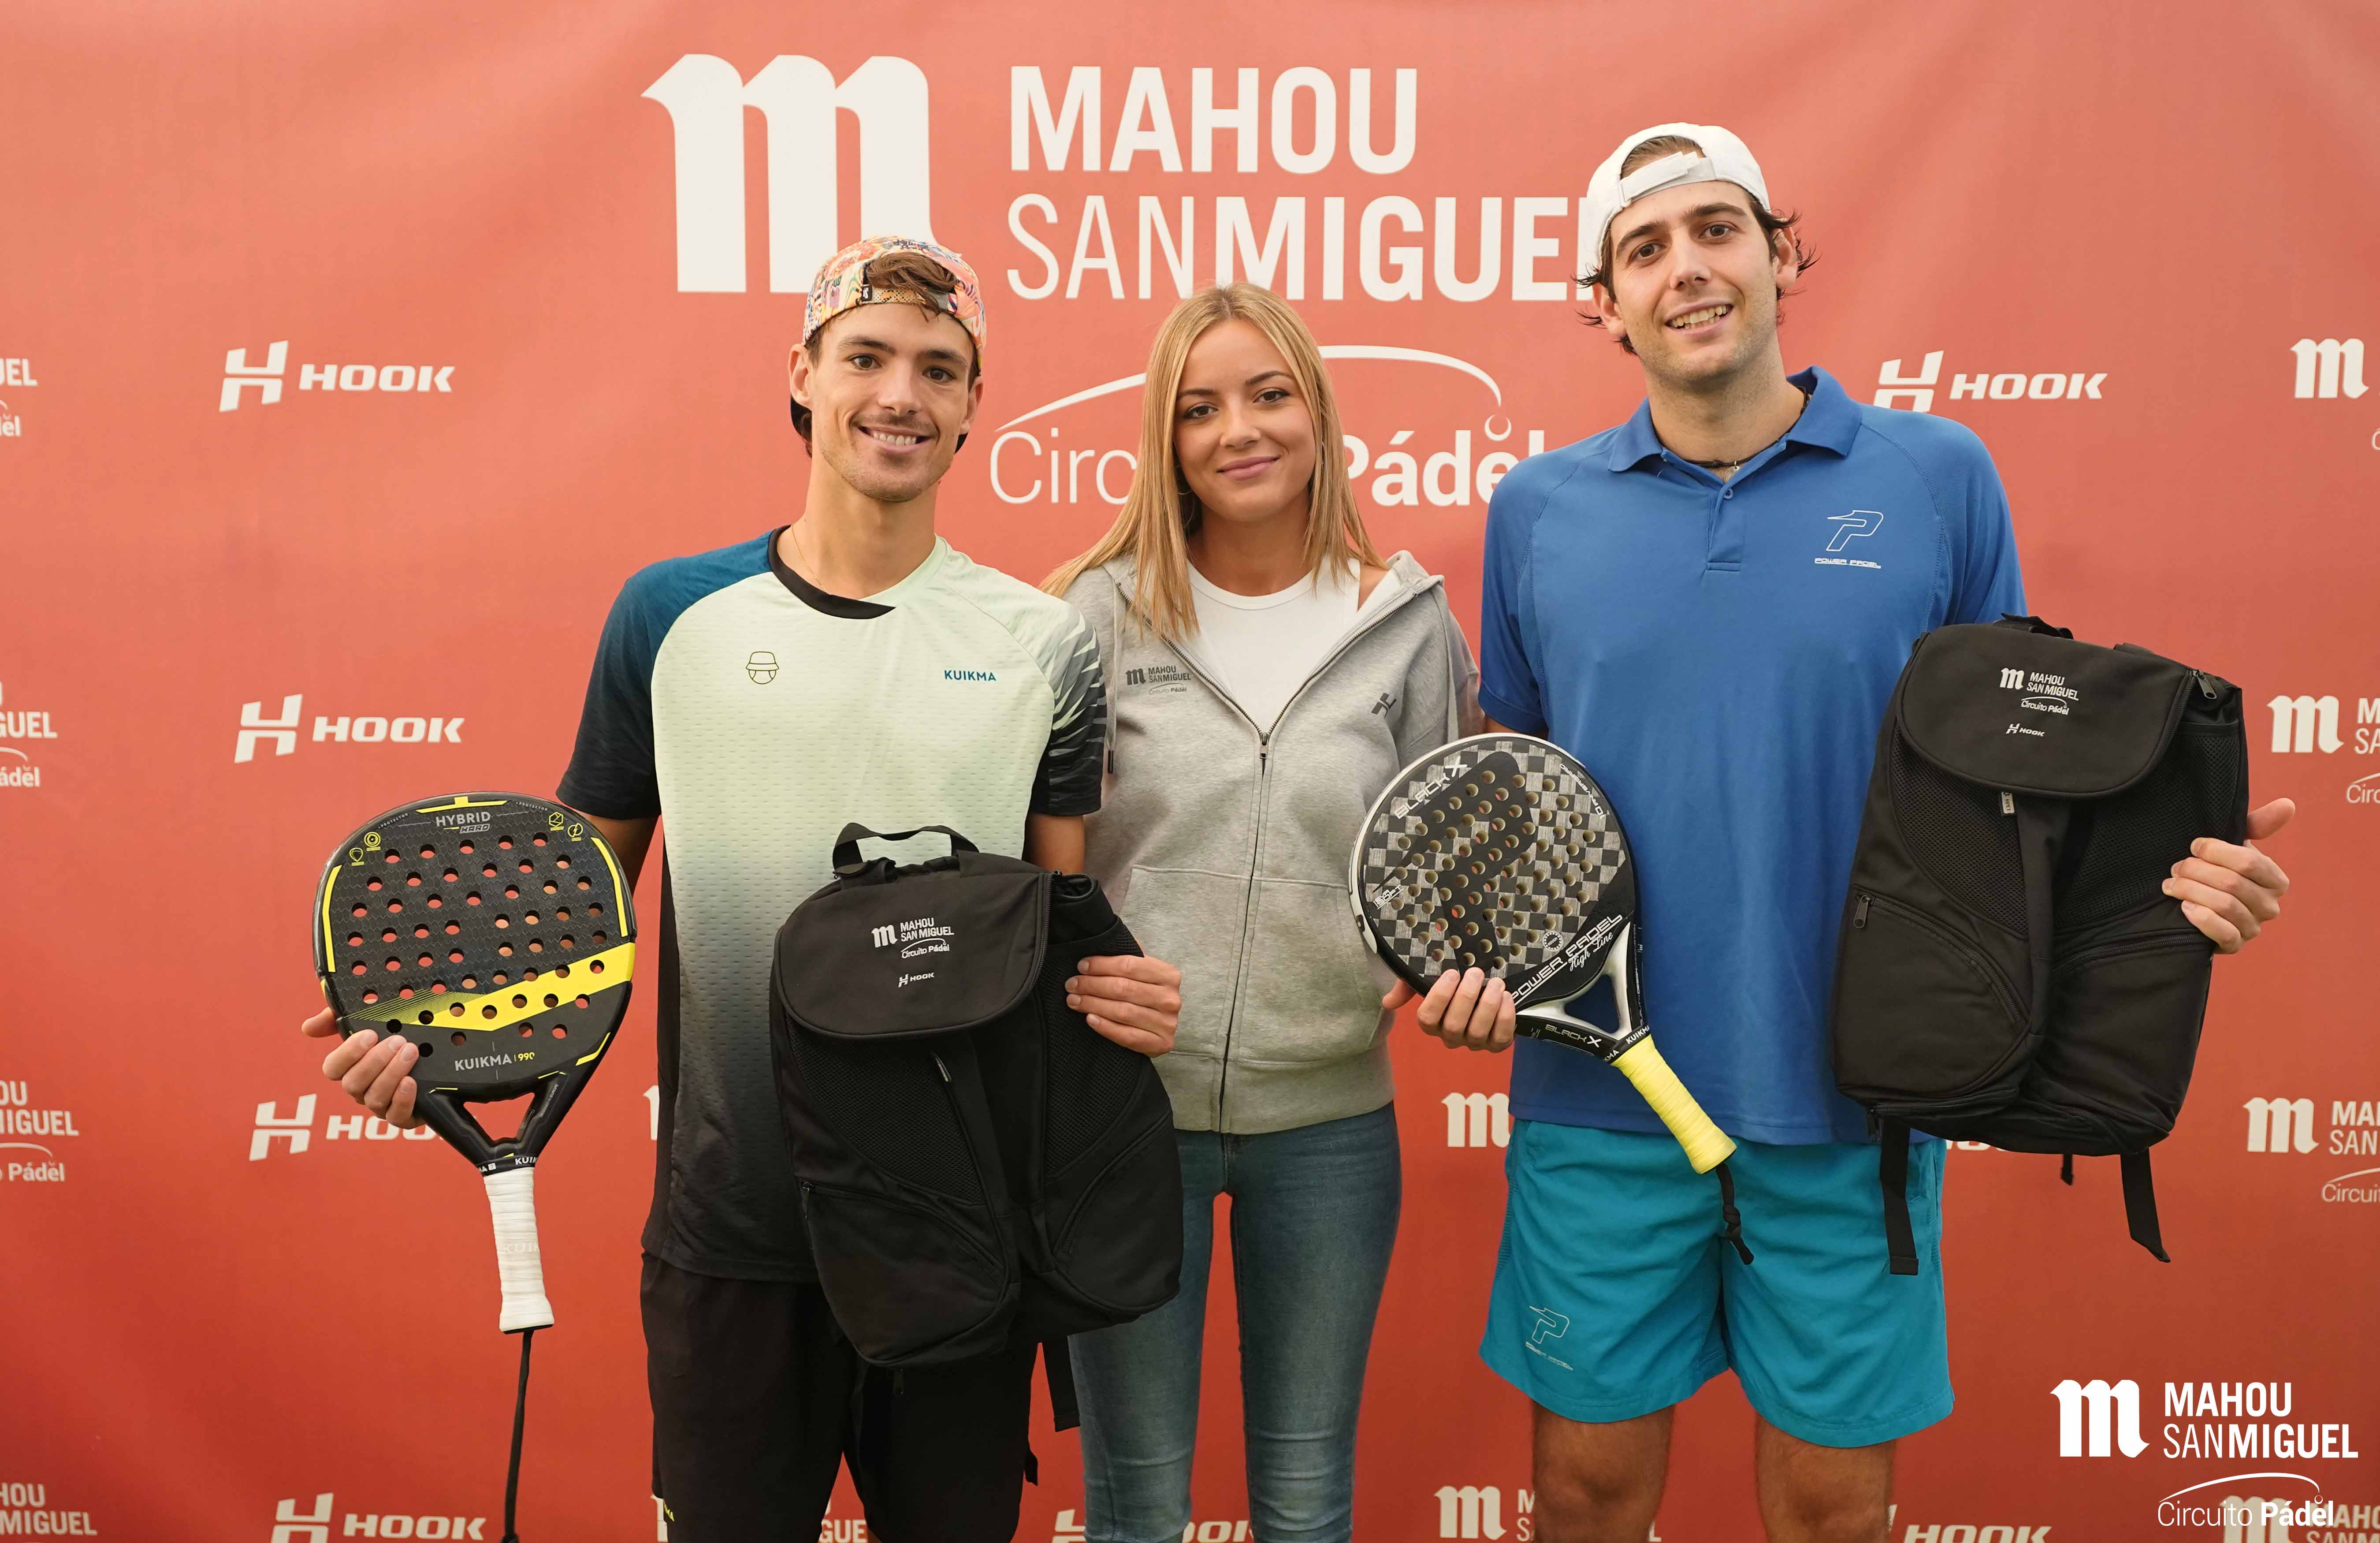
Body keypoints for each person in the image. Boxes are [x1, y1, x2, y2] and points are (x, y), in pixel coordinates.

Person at [1409, 125, 2296, 1543]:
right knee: (1583, 1492)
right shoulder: (1536, 511)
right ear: (1605, 301)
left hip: (1856, 1086)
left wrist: (2170, 879)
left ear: (1781, 254)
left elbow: (2020, 764)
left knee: (1835, 1509)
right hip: (1602, 1092)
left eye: (1717, 230)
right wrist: (1480, 972)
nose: (1687, 269)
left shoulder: (1939, 475)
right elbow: (1523, 805)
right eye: (1645, 249)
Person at [301, 235, 1185, 1543]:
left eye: (940, 369)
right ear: (803, 377)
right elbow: (573, 906)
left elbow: (1055, 932)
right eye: (867, 357)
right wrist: (431, 1037)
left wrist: (1124, 997)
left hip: (962, 1237)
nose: (902, 394)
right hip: (731, 1231)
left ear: (971, 407)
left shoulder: (1044, 645)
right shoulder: (669, 616)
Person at [1046, 283, 1479, 1543]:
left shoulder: (1407, 622)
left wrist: (1450, 961)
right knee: (1136, 1506)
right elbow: (1034, 871)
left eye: (1268, 394)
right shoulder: (1092, 614)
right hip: (1123, 1122)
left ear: (1318, 414)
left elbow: (1448, 859)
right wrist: (1074, 969)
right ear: (1165, 438)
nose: (1238, 430)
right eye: (1200, 408)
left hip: (1332, 1127)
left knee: (1304, 1501)